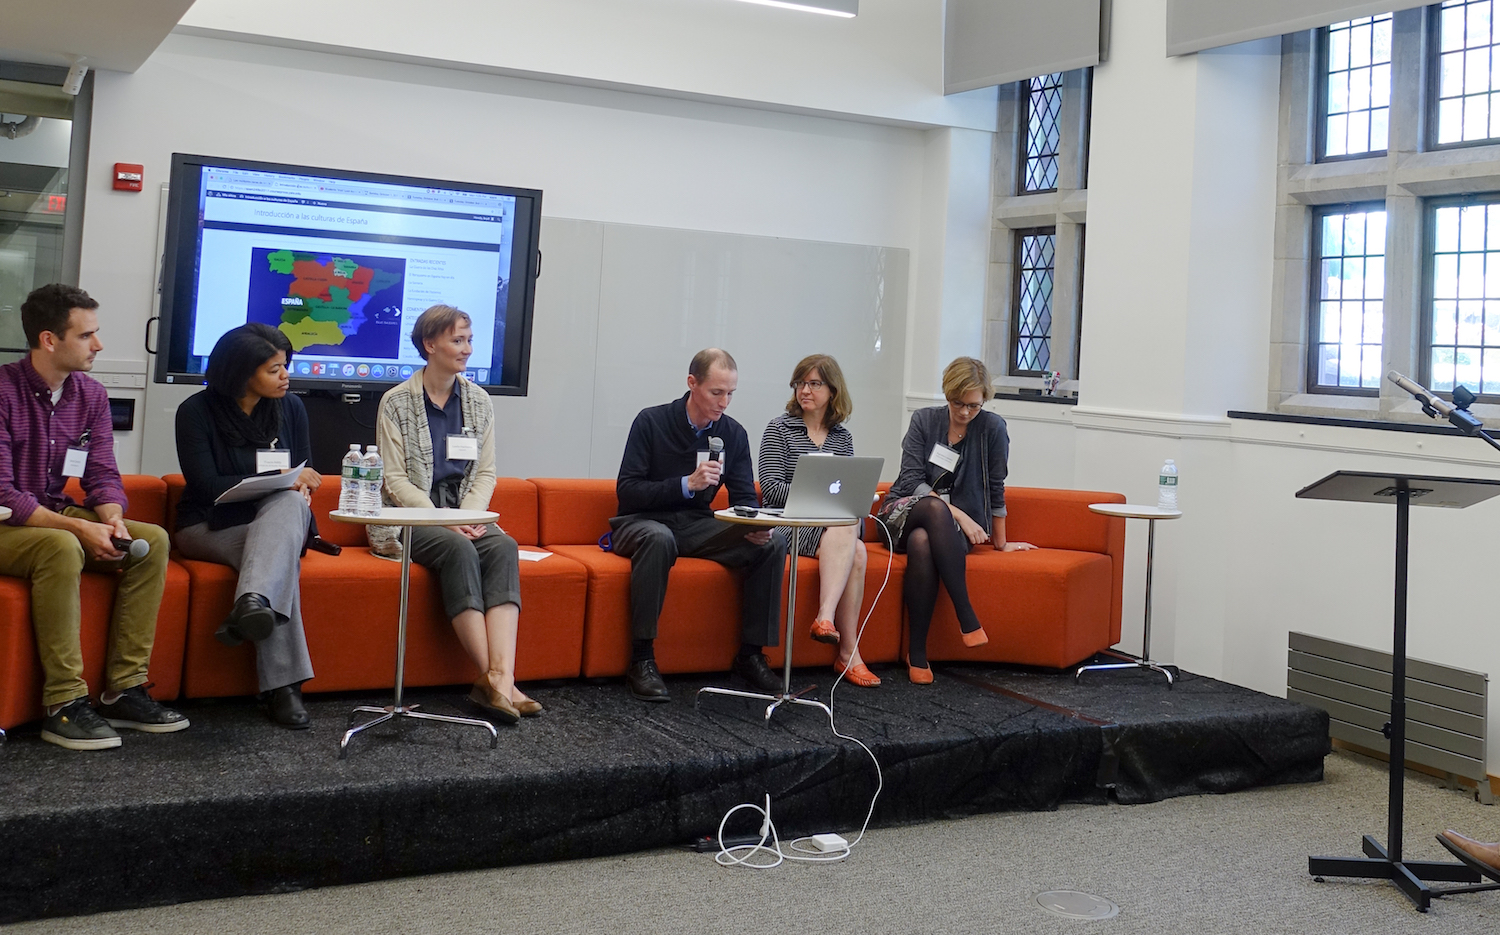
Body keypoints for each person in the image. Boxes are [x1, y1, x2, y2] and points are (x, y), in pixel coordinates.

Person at [0, 283, 187, 750]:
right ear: (49, 340)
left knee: (152, 541)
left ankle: (123, 688)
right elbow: (3, 491)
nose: (99, 345)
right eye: (87, 336)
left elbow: (101, 473)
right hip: (5, 522)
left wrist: (111, 517)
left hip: (52, 513)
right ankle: (63, 703)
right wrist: (78, 526)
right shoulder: (2, 392)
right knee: (61, 543)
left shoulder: (90, 395)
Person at [372, 304, 538, 724]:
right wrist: (443, 520)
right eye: (457, 340)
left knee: (503, 547)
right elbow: (394, 480)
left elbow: (486, 471)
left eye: (469, 340)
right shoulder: (396, 402)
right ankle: (498, 683)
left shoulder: (479, 401)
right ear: (430, 345)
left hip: (466, 512)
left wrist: (467, 514)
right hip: (409, 518)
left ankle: (500, 677)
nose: (466, 349)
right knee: (458, 550)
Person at [610, 348, 788, 703]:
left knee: (772, 543)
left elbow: (743, 495)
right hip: (640, 521)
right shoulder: (652, 421)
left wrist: (753, 523)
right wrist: (685, 484)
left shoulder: (732, 434)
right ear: (692, 383)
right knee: (660, 539)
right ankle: (642, 658)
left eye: (731, 394)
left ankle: (750, 654)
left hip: (695, 524)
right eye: (716, 392)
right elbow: (627, 490)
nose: (724, 402)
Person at [173, 323, 320, 729]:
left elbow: (304, 472)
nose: (286, 376)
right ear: (241, 372)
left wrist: (298, 484)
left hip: (277, 522)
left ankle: (250, 605)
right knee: (279, 557)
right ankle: (282, 688)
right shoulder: (195, 412)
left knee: (290, 504)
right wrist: (285, 480)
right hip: (210, 526)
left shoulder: (291, 408)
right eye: (274, 369)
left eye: (285, 366)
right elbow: (205, 486)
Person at [877, 357, 1035, 684]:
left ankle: (916, 653)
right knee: (933, 513)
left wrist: (1001, 543)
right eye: (957, 403)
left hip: (948, 534)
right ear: (947, 395)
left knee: (924, 542)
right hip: (903, 513)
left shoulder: (992, 429)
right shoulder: (924, 420)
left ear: (984, 401)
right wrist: (959, 514)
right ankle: (967, 615)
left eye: (973, 406)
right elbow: (909, 481)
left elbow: (996, 485)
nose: (964, 412)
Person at [758, 354, 877, 687]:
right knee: (852, 540)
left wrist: (840, 503)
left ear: (832, 389)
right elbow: (770, 488)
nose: (804, 390)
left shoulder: (842, 437)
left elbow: (848, 489)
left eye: (813, 383)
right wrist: (818, 500)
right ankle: (847, 651)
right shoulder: (779, 429)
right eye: (800, 383)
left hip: (832, 526)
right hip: (789, 524)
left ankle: (831, 630)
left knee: (857, 547)